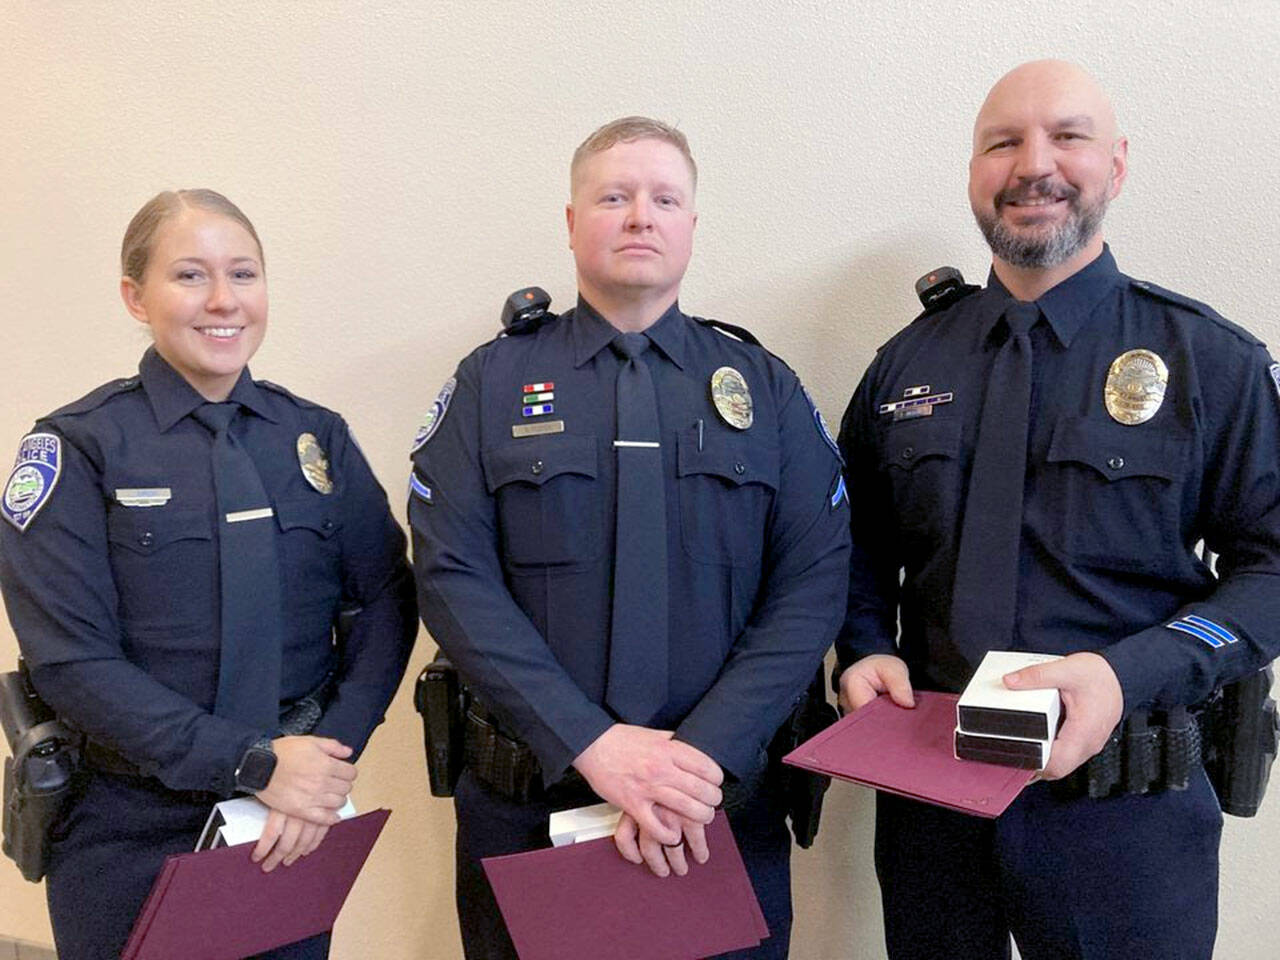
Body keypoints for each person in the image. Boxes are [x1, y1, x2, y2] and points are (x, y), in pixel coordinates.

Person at [835, 59, 1280, 960]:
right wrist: (866, 648)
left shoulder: (1209, 363)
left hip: (1125, 817)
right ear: (973, 175)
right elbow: (848, 549)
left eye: (1067, 137)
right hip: (932, 807)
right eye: (1003, 142)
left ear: (1116, 166)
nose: (1034, 163)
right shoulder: (904, 367)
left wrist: (1133, 674)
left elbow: (1273, 568)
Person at [410, 117, 849, 958]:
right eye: (613, 196)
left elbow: (815, 580)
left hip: (714, 809)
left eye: (664, 199)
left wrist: (700, 760)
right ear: (572, 223)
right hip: (530, 808)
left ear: (691, 226)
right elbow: (451, 578)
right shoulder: (490, 383)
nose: (640, 216)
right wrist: (594, 744)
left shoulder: (766, 387)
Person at [0, 189, 418, 960]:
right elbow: (70, 660)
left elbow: (387, 600)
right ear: (136, 296)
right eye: (190, 276)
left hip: (289, 821)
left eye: (244, 274)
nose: (224, 300)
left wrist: (325, 763)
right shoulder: (78, 448)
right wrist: (250, 764)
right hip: (131, 823)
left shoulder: (314, 437)